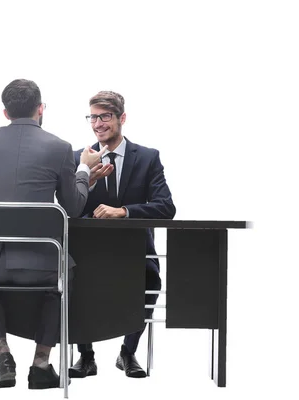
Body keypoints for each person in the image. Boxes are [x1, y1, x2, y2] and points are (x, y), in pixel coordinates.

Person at [0, 79, 109, 389]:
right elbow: (72, 208)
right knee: (60, 283)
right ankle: (41, 362)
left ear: (5, 112)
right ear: (40, 109)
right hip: (42, 265)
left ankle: (2, 353)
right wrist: (84, 172)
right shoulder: (59, 148)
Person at [69, 90, 176, 379]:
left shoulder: (148, 158)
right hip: (91, 253)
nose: (98, 123)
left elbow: (166, 207)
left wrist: (125, 211)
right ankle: (86, 356)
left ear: (121, 118)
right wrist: (86, 179)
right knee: (73, 276)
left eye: (105, 116)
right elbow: (68, 210)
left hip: (134, 252)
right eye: (93, 117)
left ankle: (128, 352)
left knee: (151, 278)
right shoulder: (79, 157)